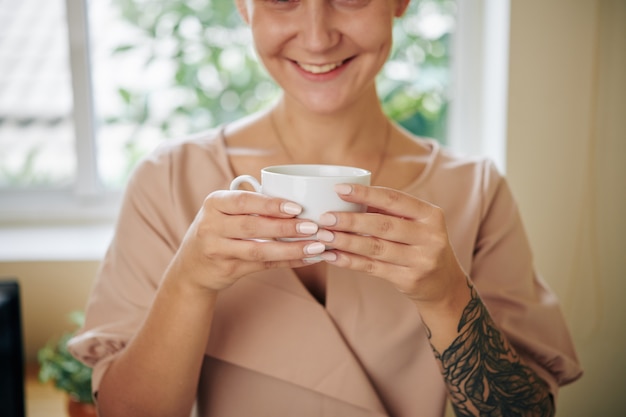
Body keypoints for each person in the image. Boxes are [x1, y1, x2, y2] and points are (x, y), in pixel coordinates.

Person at [68, 0, 582, 415]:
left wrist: (448, 296)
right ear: (244, 7)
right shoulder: (169, 181)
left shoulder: (475, 191)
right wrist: (190, 281)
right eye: (281, 0)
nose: (317, 36)